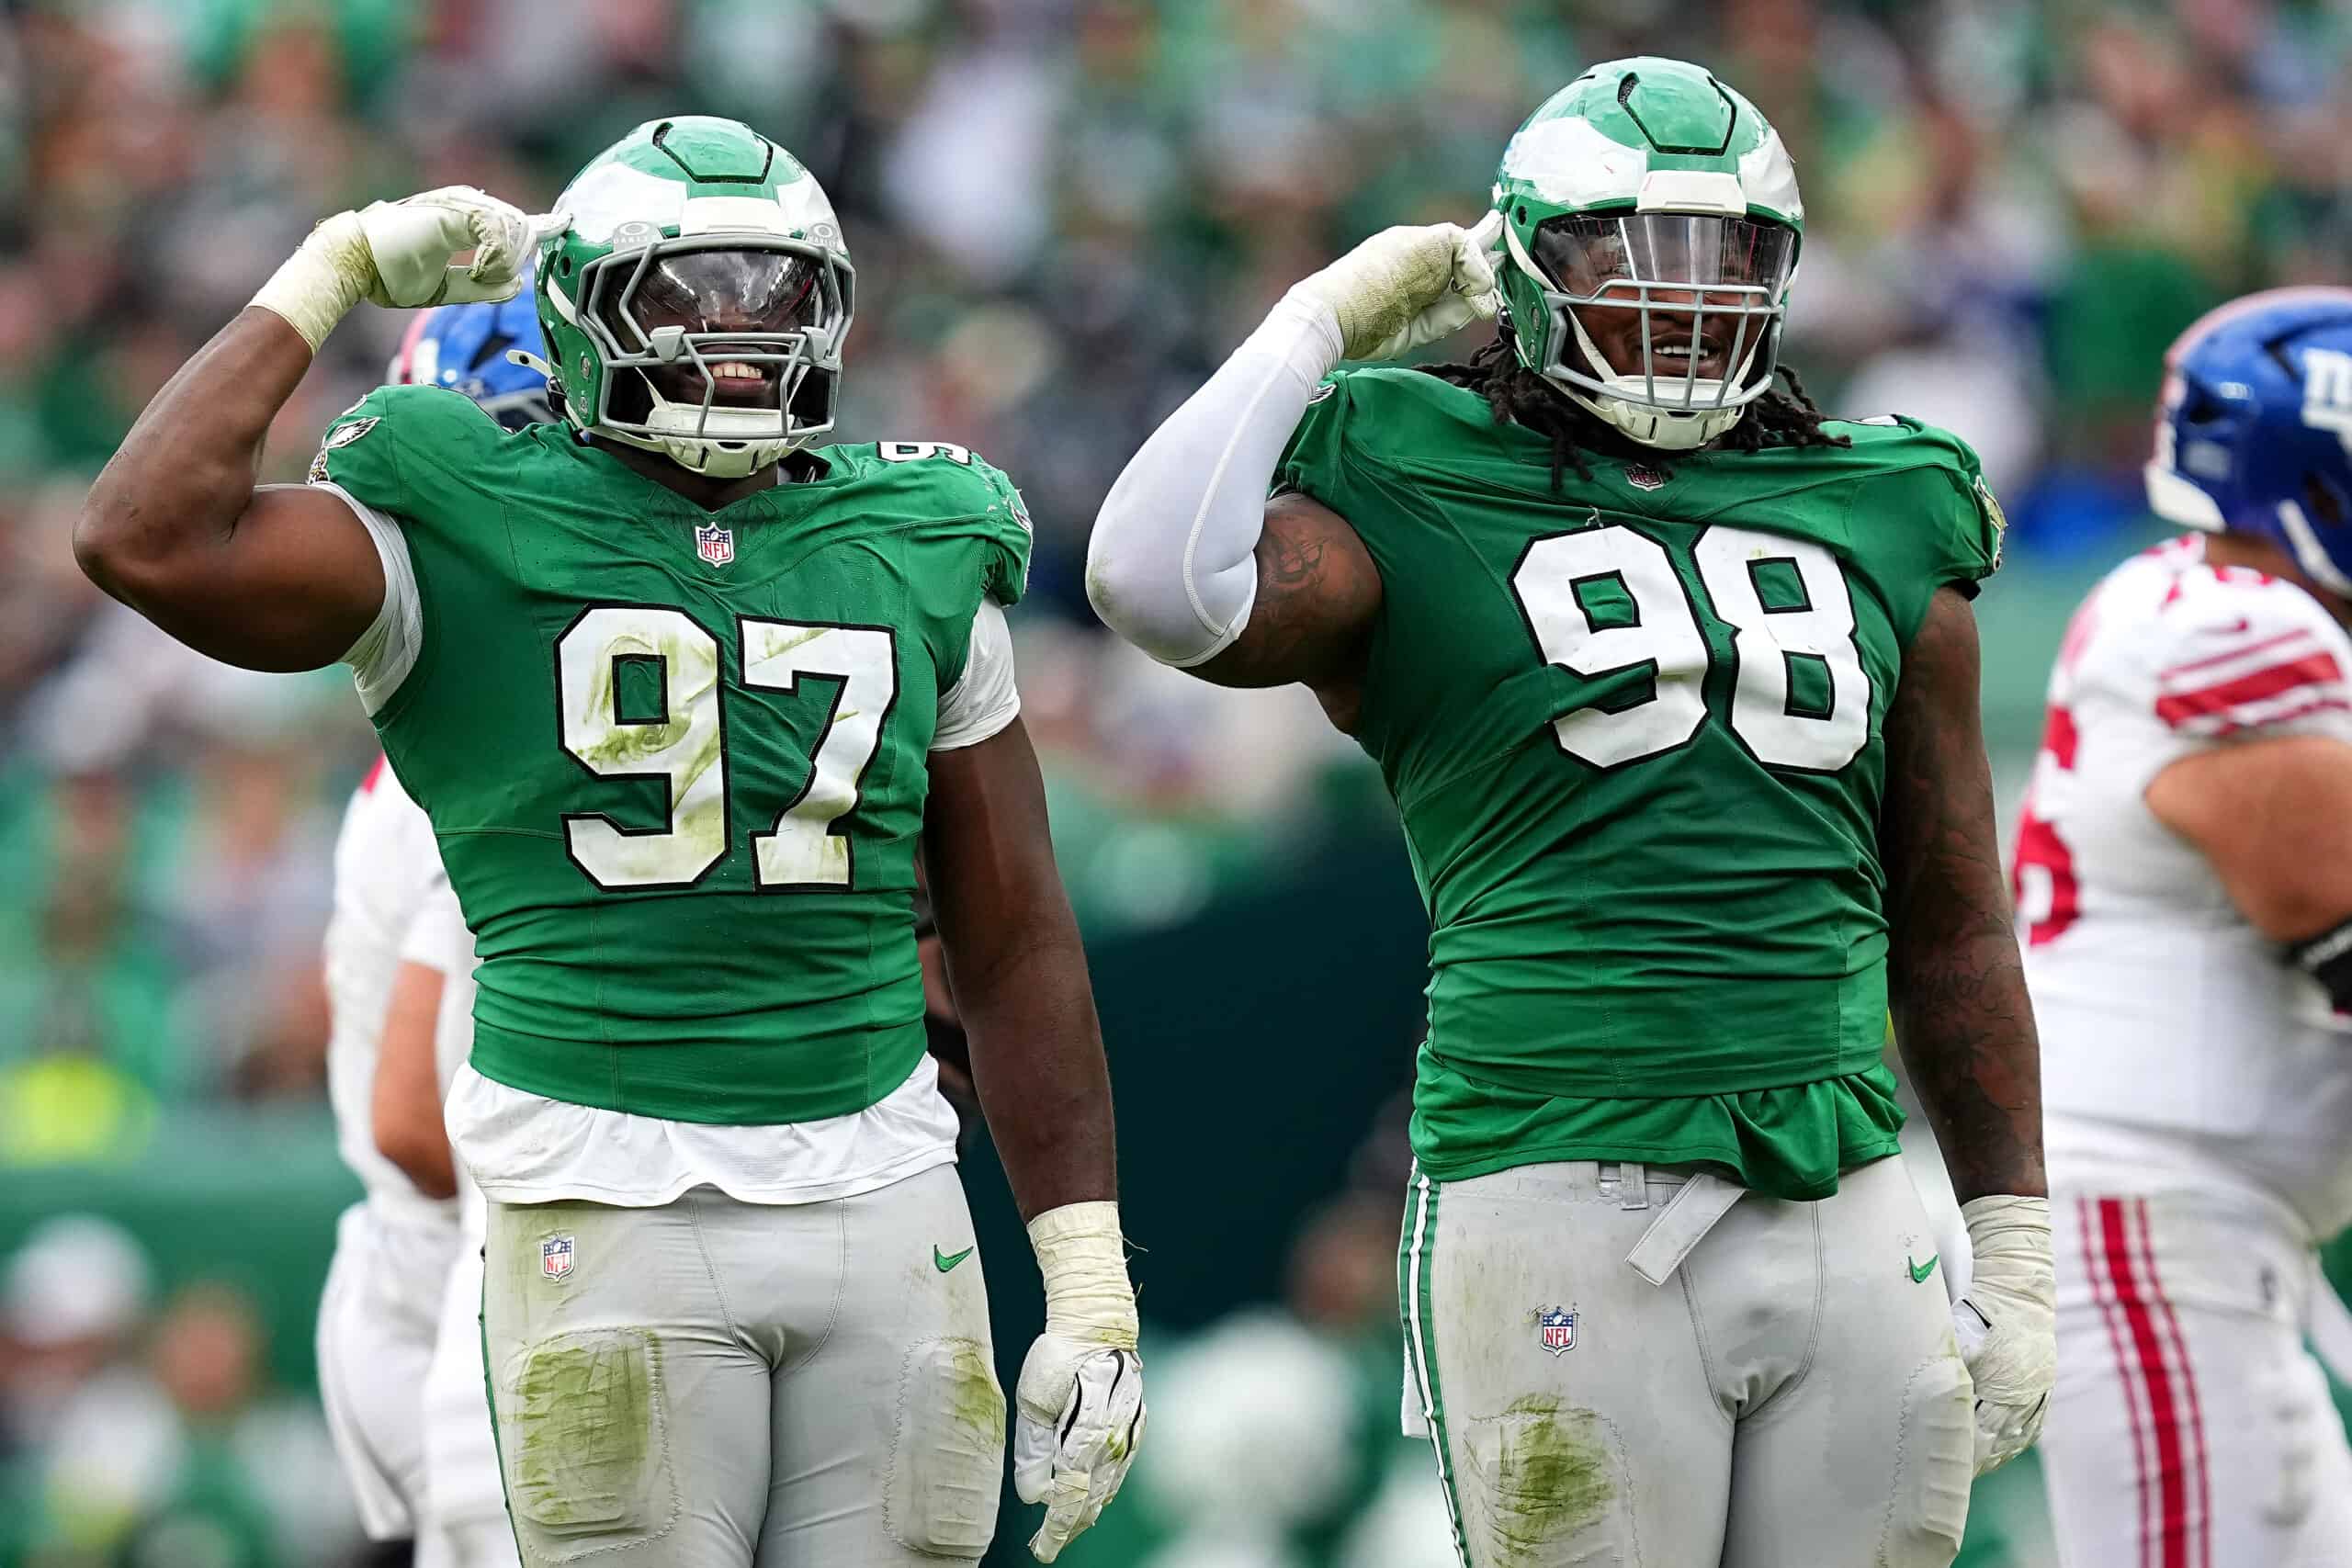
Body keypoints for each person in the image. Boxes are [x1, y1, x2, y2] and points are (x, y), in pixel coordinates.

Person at [73, 115, 1142, 1567]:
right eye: (687, 294)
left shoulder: (920, 530)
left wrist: (1086, 1277)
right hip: (602, 1186)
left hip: (885, 1186)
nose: (738, 340)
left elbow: (1013, 936)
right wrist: (326, 273)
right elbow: (144, 537)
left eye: (774, 296)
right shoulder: (459, 504)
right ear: (581, 314)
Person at [1087, 58, 2050, 1567]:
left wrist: (2016, 1234)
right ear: (1529, 269)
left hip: (1848, 1177)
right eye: (1628, 246)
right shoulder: (1416, 462)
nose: (1680, 298)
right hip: (1556, 1172)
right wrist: (1318, 323)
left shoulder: (1886, 496)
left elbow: (1950, 914)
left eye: (1721, 253)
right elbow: (1153, 581)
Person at [2018, 288, 2352, 1568]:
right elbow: (2331, 908)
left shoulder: (2188, 607)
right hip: (2160, 1231)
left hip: (2202, 1233)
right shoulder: (2238, 627)